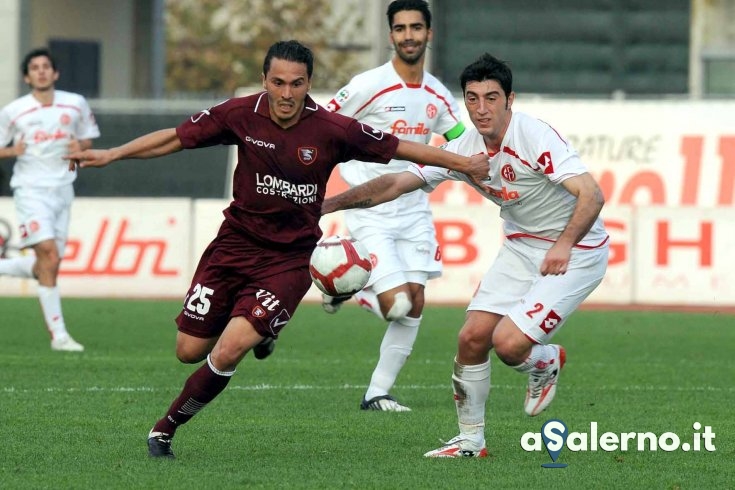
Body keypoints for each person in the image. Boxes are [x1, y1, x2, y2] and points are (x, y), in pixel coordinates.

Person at [64, 40, 490, 459]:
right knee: (188, 351)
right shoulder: (239, 114)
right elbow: (175, 138)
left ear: (309, 84)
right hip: (231, 249)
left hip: (288, 260)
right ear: (264, 80)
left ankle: (164, 429)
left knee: (228, 350)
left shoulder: (331, 128)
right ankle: (265, 331)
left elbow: (401, 148)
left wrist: (464, 163)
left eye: (297, 84)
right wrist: (112, 154)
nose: (287, 94)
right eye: (279, 82)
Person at [322, 53, 609, 458]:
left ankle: (543, 361)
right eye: (472, 98)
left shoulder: (535, 137)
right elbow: (395, 183)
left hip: (577, 251)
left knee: (509, 345)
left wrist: (563, 245)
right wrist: (329, 204)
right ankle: (471, 442)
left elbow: (591, 195)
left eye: (491, 98)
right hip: (522, 246)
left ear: (511, 99)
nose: (481, 108)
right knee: (472, 339)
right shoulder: (463, 149)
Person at [321, 0, 465, 413]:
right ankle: (347, 284)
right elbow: (326, 123)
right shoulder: (369, 84)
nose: (408, 36)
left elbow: (457, 139)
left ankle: (376, 394)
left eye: (416, 28)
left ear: (428, 34)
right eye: (400, 29)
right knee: (398, 304)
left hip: (414, 206)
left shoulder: (437, 92)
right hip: (370, 206)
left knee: (414, 303)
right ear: (390, 36)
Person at [0, 48, 100, 352]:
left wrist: (78, 144)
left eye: (46, 66)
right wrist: (11, 152)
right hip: (31, 190)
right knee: (48, 255)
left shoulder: (75, 103)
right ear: (26, 76)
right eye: (35, 67)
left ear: (55, 73)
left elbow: (87, 140)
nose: (41, 71)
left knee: (49, 265)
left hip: (63, 190)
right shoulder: (14, 110)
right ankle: (59, 336)